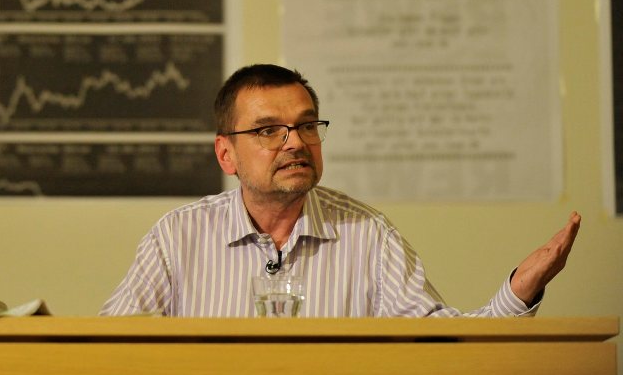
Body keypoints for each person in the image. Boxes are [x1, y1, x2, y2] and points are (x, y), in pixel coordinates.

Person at [101, 64, 581, 317]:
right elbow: (111, 347)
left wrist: (517, 293)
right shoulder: (178, 236)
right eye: (269, 130)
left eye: (307, 125)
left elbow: (439, 346)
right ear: (226, 154)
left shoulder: (367, 234)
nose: (295, 142)